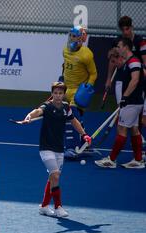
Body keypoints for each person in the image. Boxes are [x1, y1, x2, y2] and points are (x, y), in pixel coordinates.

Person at [22, 82, 91, 218]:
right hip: (46, 147)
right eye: (55, 93)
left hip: (59, 148)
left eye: (60, 93)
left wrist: (84, 134)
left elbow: (74, 121)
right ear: (52, 94)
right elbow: (37, 111)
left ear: (63, 94)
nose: (58, 96)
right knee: (55, 175)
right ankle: (58, 207)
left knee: (53, 177)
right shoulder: (47, 106)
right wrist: (29, 116)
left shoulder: (66, 107)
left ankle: (43, 206)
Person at [95, 38, 145, 169]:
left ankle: (111, 160)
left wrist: (125, 97)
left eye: (119, 46)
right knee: (134, 130)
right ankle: (138, 160)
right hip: (133, 101)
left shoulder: (134, 62)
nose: (118, 48)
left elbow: (135, 80)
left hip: (132, 102)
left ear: (126, 47)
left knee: (121, 129)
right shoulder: (127, 62)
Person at [61, 26, 97, 158]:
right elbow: (65, 66)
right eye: (70, 35)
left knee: (71, 117)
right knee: (77, 120)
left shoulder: (86, 54)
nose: (71, 38)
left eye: (74, 36)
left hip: (78, 90)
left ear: (80, 38)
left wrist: (87, 88)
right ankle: (86, 144)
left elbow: (93, 74)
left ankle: (71, 148)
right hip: (67, 89)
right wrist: (62, 79)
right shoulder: (65, 50)